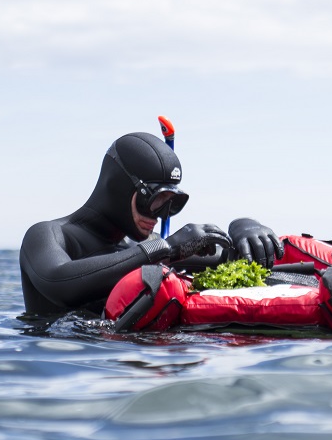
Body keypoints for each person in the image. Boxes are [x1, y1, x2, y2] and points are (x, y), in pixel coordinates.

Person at [20, 131, 283, 316]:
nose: (160, 215)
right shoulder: (49, 235)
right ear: (118, 189)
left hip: (138, 368)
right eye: (155, 200)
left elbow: (231, 259)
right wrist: (165, 249)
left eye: (172, 204)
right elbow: (58, 281)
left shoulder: (149, 245)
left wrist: (244, 226)